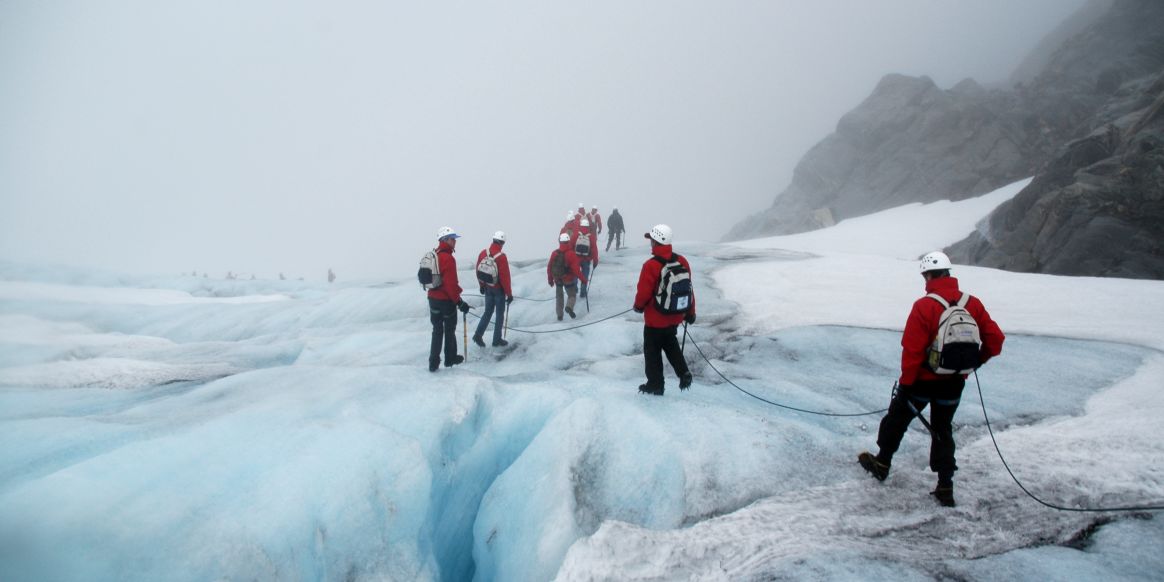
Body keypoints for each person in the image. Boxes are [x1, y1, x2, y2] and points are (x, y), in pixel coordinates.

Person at [858, 251, 1005, 507]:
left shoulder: (924, 306)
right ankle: (945, 485)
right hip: (954, 382)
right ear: (949, 273)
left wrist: (906, 384)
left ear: (927, 275)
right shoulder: (973, 304)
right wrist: (972, 366)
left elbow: (912, 349)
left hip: (922, 382)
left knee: (896, 420)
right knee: (942, 430)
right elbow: (995, 340)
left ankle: (882, 463)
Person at [633, 224, 695, 396]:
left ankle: (655, 384)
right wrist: (690, 312)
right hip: (675, 316)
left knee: (652, 352)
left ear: (656, 241)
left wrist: (638, 306)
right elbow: (689, 289)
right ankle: (683, 373)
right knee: (671, 344)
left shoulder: (651, 265)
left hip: (655, 318)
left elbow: (644, 292)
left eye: (651, 240)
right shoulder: (681, 261)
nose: (650, 243)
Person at [427, 226, 471, 372]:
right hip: (446, 301)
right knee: (450, 329)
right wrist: (459, 302)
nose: (455, 241)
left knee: (437, 330)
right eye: (453, 239)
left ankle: (433, 363)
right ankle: (450, 358)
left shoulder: (434, 254)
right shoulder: (448, 258)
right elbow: (451, 284)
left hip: (433, 298)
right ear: (445, 240)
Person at [473, 231, 513, 347]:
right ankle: (496, 340)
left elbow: (478, 270)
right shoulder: (501, 257)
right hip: (498, 290)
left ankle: (478, 335)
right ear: (502, 243)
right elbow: (505, 277)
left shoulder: (483, 253)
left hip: (487, 287)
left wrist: (481, 285)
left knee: (487, 312)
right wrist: (509, 294)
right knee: (499, 314)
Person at [548, 232, 588, 321]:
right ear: (568, 241)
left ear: (560, 241)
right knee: (572, 295)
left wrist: (550, 279)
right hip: (568, 279)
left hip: (557, 278)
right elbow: (576, 270)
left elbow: (550, 266)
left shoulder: (554, 253)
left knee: (559, 297)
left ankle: (559, 316)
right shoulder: (571, 254)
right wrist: (583, 280)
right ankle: (569, 307)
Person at [575, 218, 599, 298]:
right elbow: (594, 250)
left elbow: (570, 246)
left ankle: (574, 288)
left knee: (575, 273)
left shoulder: (576, 235)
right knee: (585, 275)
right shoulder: (591, 237)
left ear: (580, 225)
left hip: (576, 259)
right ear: (588, 226)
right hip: (586, 259)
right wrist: (595, 261)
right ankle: (583, 291)